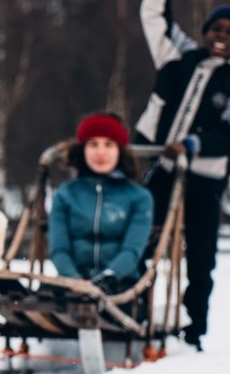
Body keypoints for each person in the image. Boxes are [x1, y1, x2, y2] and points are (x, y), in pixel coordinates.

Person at [134, 0, 230, 350]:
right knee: (143, 238)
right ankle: (133, 311)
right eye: (216, 29)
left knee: (200, 254)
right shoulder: (178, 56)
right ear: (205, 32)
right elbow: (154, 16)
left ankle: (194, 327)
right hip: (161, 168)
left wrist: (192, 144)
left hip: (203, 179)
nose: (221, 37)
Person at [48, 113, 154, 295]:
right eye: (93, 144)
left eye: (109, 144)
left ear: (120, 150)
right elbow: (59, 248)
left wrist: (109, 277)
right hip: (72, 283)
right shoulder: (66, 194)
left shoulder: (139, 197)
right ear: (83, 149)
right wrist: (73, 279)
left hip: (121, 284)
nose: (100, 152)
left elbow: (132, 250)